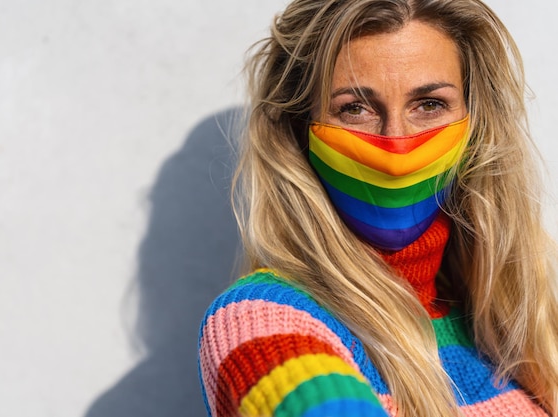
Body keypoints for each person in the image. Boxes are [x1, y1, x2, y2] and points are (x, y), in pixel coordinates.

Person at [197, 0, 558, 416]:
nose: (397, 145)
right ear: (300, 133)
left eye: (429, 104)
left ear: (476, 126)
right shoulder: (261, 321)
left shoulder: (525, 328)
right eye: (355, 108)